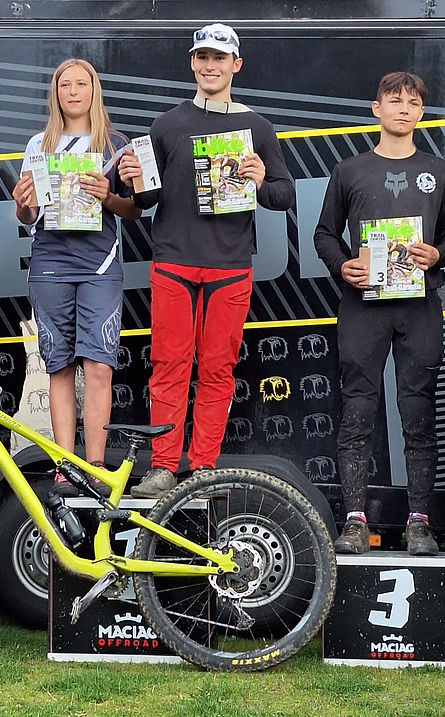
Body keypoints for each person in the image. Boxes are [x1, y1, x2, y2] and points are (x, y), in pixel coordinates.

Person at [117, 23, 295, 497]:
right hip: (173, 261)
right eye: (202, 57)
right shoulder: (167, 124)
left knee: (218, 369)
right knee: (169, 364)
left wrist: (259, 179)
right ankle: (163, 466)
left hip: (230, 267)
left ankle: (203, 467)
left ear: (236, 65)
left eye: (219, 58)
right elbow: (146, 199)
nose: (210, 66)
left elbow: (283, 195)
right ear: (192, 64)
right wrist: (131, 178)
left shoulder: (256, 127)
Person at [313, 71, 445, 554]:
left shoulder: (439, 171)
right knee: (357, 409)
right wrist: (344, 265)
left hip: (419, 307)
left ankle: (419, 521)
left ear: (422, 112)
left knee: (418, 412)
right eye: (393, 99)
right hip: (363, 307)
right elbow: (323, 235)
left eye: (413, 101)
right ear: (375, 108)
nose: (403, 107)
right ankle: (355, 520)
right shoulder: (350, 171)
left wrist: (436, 255)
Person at [11, 59, 140, 482]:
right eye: (64, 85)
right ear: (55, 93)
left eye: (80, 84)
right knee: (59, 365)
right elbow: (28, 217)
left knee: (99, 365)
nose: (72, 92)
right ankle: (66, 465)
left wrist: (107, 197)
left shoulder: (116, 143)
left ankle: (96, 463)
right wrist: (21, 201)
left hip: (99, 263)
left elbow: (134, 211)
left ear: (93, 90)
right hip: (50, 262)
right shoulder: (38, 144)